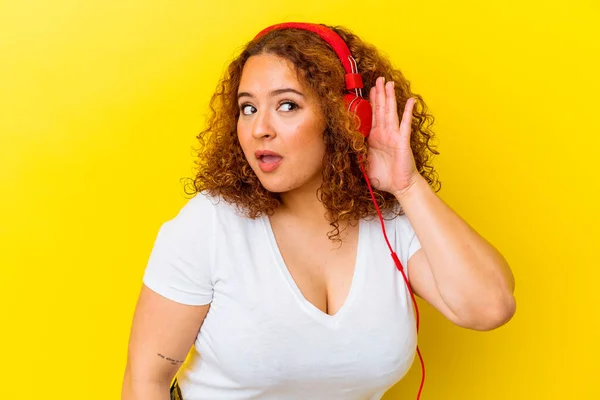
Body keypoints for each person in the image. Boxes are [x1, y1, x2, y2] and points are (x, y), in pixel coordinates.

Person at [121, 22, 516, 400]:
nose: (260, 128)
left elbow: (488, 307)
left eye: (287, 105)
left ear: (346, 118)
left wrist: (407, 187)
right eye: (247, 109)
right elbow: (146, 380)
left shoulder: (392, 221)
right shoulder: (208, 225)